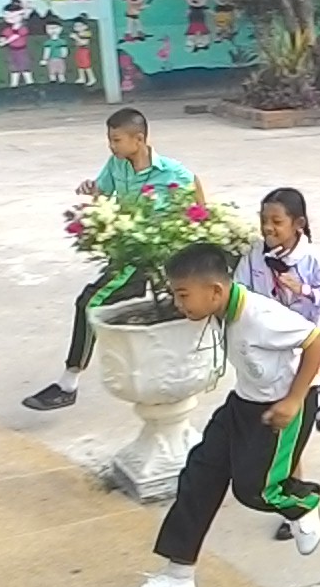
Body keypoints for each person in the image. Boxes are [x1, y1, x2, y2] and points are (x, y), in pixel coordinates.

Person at [118, 243, 320, 587]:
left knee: (254, 489)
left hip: (282, 409)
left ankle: (303, 503)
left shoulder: (261, 317)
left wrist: (294, 400)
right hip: (242, 405)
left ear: (215, 290)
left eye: (183, 295)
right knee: (198, 476)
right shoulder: (220, 308)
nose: (178, 304)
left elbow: (316, 342)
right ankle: (177, 575)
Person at [23, 108, 204, 412]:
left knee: (91, 303)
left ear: (139, 139)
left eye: (117, 140)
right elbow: (103, 194)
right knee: (145, 310)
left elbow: (198, 202)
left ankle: (68, 385)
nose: (112, 146)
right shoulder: (116, 165)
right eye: (110, 139)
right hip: (128, 252)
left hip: (152, 256)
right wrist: (92, 191)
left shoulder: (173, 172)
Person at [233, 188, 320, 542]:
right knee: (277, 430)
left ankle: (295, 506)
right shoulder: (254, 255)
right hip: (264, 354)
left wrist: (305, 291)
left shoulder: (313, 260)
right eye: (263, 220)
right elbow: (238, 289)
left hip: (300, 354)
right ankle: (316, 403)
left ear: (298, 224)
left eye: (276, 222)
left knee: (284, 433)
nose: (268, 228)